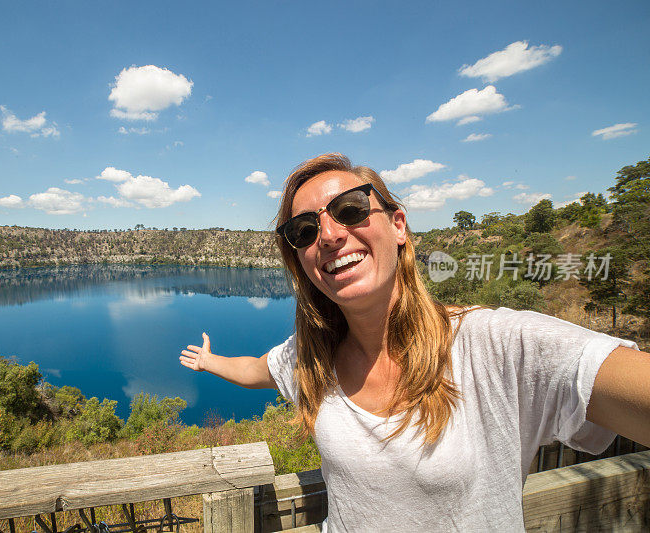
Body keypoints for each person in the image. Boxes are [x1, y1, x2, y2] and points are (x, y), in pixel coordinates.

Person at [179, 153, 650, 531]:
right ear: (300, 258)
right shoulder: (312, 357)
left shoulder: (495, 345)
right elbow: (256, 369)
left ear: (398, 225)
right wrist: (209, 360)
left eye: (350, 209)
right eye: (304, 230)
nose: (328, 234)